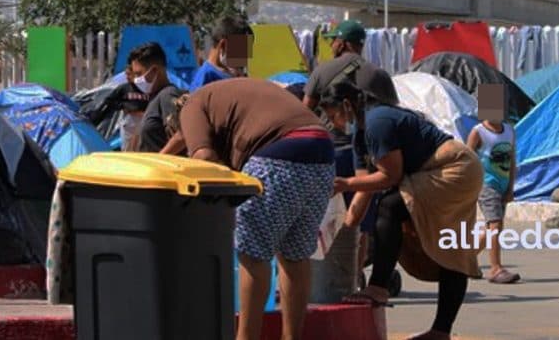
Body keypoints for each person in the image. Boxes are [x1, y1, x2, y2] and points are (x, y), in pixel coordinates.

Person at [162, 78, 334, 340]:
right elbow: (178, 146)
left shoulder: (191, 106)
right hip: (322, 153)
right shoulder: (226, 96)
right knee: (294, 256)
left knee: (253, 255)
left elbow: (204, 156)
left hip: (278, 157)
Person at [321, 74, 483, 340]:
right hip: (437, 173)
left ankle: (379, 285)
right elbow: (364, 186)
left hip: (454, 170)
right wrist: (346, 231)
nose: (334, 123)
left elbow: (390, 177)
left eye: (334, 115)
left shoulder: (378, 122)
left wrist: (345, 183)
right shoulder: (361, 137)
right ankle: (440, 332)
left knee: (391, 207)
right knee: (449, 248)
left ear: (348, 106)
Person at [302, 19, 400, 289]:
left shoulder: (323, 71)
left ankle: (320, 275)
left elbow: (304, 112)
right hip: (365, 155)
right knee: (362, 221)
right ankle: (354, 277)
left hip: (327, 151)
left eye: (334, 40)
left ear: (343, 43)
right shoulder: (379, 75)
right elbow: (390, 114)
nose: (331, 44)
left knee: (323, 215)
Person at [465, 115, 519, 284]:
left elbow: (512, 160)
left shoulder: (509, 131)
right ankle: (495, 269)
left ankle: (464, 260)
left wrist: (510, 188)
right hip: (485, 185)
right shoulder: (478, 132)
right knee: (495, 224)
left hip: (502, 185)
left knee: (492, 228)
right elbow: (466, 159)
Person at [87, 53, 150, 151]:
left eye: (129, 74)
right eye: (126, 75)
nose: (127, 77)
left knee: (141, 149)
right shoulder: (124, 88)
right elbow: (109, 101)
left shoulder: (146, 88)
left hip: (144, 121)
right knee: (127, 148)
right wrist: (124, 106)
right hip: (129, 121)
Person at [132, 42, 186, 152]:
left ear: (155, 70)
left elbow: (182, 135)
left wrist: (160, 159)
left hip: (162, 168)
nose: (136, 79)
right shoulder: (155, 98)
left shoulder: (168, 95)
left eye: (139, 74)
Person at [189, 17, 254, 91]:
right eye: (241, 52)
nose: (245, 60)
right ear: (223, 45)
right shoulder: (206, 77)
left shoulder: (233, 75)